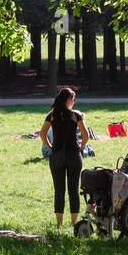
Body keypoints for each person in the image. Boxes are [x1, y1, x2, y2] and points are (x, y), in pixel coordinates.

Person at [39, 87, 92, 229]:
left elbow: (42, 134)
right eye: (73, 99)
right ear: (68, 100)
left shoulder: (52, 115)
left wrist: (50, 147)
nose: (74, 102)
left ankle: (59, 223)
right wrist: (81, 147)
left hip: (56, 156)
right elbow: (85, 135)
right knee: (73, 190)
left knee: (59, 190)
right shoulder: (75, 115)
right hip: (73, 156)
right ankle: (74, 223)